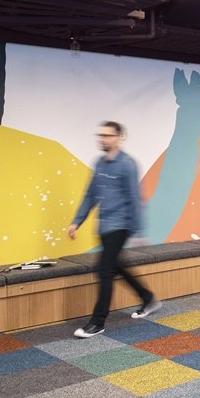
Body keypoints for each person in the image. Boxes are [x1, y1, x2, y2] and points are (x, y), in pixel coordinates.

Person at [67, 121, 161, 338]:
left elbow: (135, 198)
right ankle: (148, 299)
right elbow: (90, 194)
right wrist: (76, 221)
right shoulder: (99, 163)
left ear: (119, 138)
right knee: (115, 266)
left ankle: (98, 321)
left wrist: (137, 231)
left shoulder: (127, 164)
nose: (103, 139)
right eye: (101, 135)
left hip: (121, 225)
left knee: (104, 270)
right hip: (104, 226)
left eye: (108, 136)